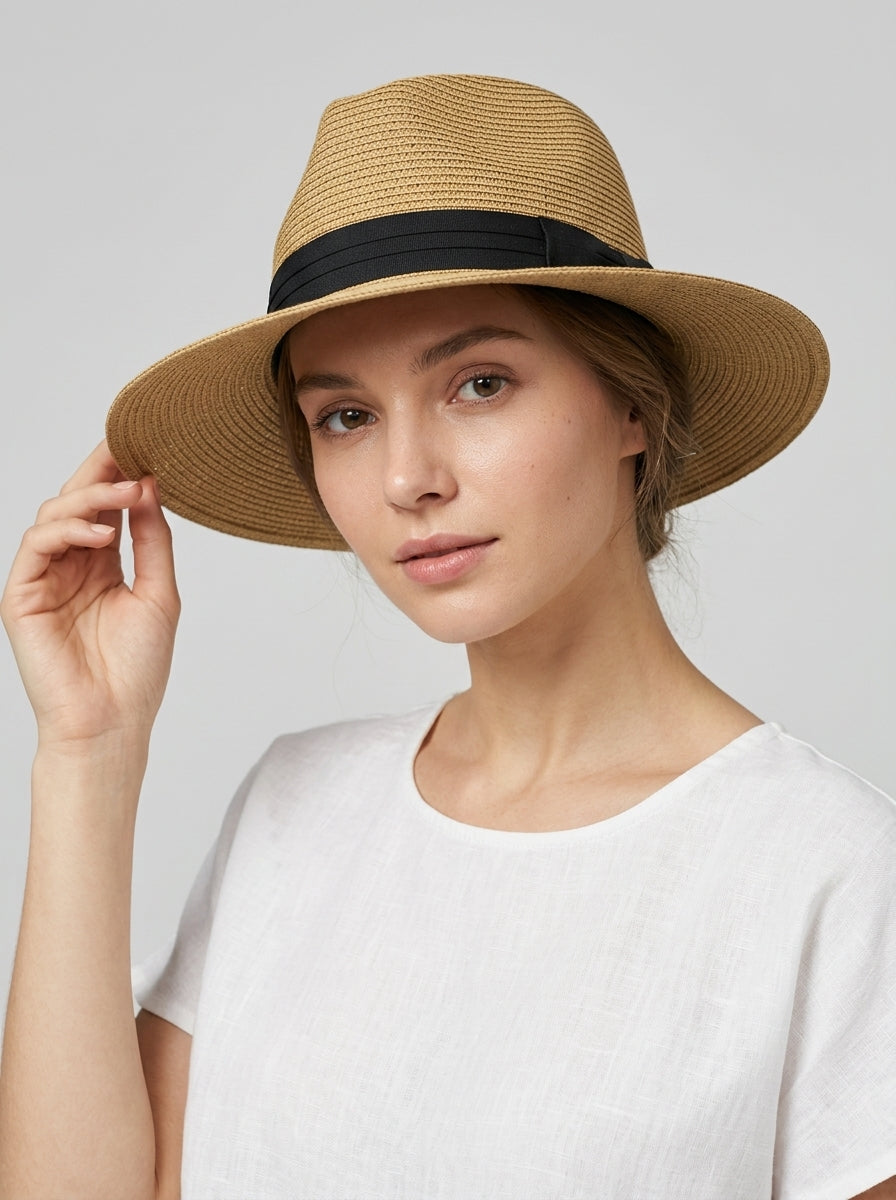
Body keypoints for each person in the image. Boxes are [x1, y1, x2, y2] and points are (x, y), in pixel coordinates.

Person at [0, 73, 893, 1200]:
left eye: (479, 384)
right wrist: (88, 751)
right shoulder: (294, 807)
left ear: (633, 403)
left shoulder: (828, 871)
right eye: (345, 416)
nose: (406, 478)